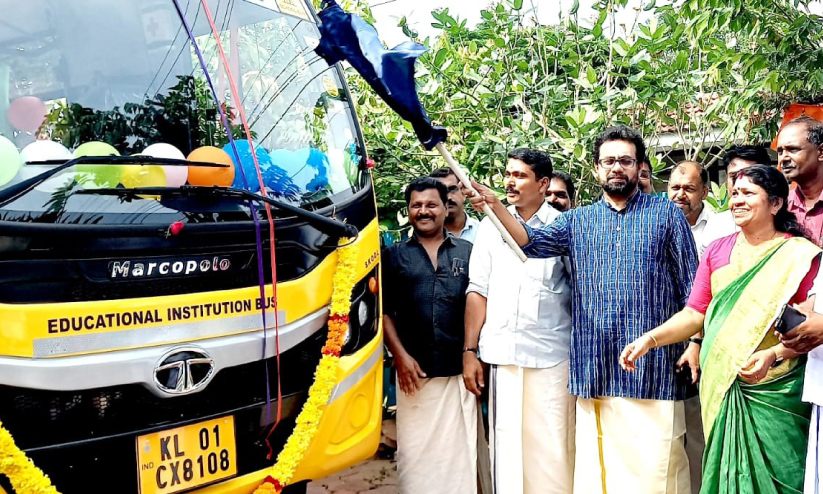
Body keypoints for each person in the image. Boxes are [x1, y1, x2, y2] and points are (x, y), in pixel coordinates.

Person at [469, 125, 697, 494]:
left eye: (625, 161)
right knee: (600, 477)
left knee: (658, 472)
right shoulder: (578, 220)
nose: (616, 167)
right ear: (596, 169)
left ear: (640, 167)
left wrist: (695, 343)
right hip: (595, 368)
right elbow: (529, 244)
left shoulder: (666, 215)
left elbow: (694, 288)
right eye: (608, 161)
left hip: (653, 369)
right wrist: (495, 206)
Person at [620, 165, 821, 494]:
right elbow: (695, 313)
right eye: (735, 193)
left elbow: (809, 327)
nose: (737, 200)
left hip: (778, 387)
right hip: (721, 380)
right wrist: (650, 339)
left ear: (775, 203)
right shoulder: (717, 250)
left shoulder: (799, 254)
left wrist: (774, 354)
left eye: (748, 193)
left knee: (783, 477)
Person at [463, 149, 574, 494]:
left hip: (553, 357)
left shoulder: (563, 226)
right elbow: (478, 289)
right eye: (508, 174)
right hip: (504, 355)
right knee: (507, 451)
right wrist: (469, 350)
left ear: (543, 184)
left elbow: (581, 290)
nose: (510, 182)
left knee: (554, 452)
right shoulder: (488, 226)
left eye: (520, 175)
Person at [382, 177, 476, 494]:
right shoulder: (394, 256)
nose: (424, 211)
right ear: (409, 210)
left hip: (459, 374)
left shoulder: (468, 252)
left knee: (460, 457)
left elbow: (480, 304)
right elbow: (384, 312)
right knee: (416, 458)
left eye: (431, 204)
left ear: (445, 208)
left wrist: (473, 354)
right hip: (414, 375)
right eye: (417, 205)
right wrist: (400, 356)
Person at [667, 160, 712, 494]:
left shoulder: (723, 227)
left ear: (705, 192)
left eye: (689, 188)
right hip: (662, 341)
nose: (680, 195)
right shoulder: (656, 221)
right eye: (674, 188)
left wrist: (695, 342)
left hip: (705, 343)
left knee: (697, 433)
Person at [699, 145, 772, 256]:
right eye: (734, 177)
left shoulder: (784, 226)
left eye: (749, 175)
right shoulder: (715, 226)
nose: (740, 183)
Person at [778, 115, 823, 246]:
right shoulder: (780, 207)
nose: (783, 158)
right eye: (780, 152)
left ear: (821, 152)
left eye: (793, 149)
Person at [431, 167, 481, 243]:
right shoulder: (424, 239)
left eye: (452, 189)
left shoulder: (483, 231)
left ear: (463, 193)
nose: (448, 197)